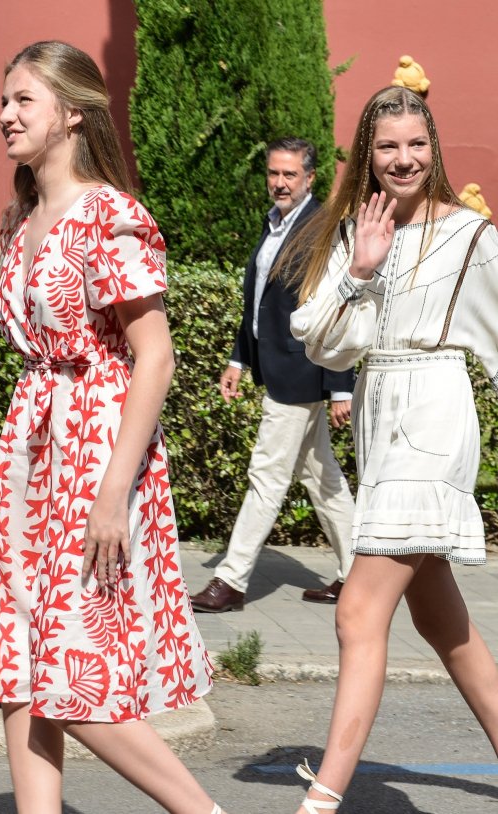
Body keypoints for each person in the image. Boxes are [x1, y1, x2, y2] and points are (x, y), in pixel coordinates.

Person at [0, 41, 228, 814]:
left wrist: (113, 494)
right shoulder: (22, 216)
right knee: (15, 663)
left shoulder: (109, 214)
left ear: (72, 112)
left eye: (22, 101)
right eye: (3, 100)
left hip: (96, 450)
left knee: (75, 683)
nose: (5, 115)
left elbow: (157, 356)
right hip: (31, 447)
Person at [287, 85, 498, 813]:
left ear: (431, 147)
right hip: (380, 416)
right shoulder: (354, 230)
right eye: (387, 147)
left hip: (435, 416)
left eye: (414, 144)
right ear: (366, 156)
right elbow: (320, 339)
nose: (402, 159)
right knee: (439, 621)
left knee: (356, 614)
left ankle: (321, 802)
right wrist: (361, 269)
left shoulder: (474, 237)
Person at [190, 138, 356, 614]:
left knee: (266, 475)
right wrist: (239, 359)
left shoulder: (325, 229)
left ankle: (231, 580)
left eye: (289, 175)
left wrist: (340, 384)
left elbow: (339, 310)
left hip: (303, 373)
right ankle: (357, 575)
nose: (279, 183)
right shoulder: (275, 224)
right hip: (278, 368)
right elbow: (260, 301)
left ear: (309, 178)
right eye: (273, 174)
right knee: (322, 478)